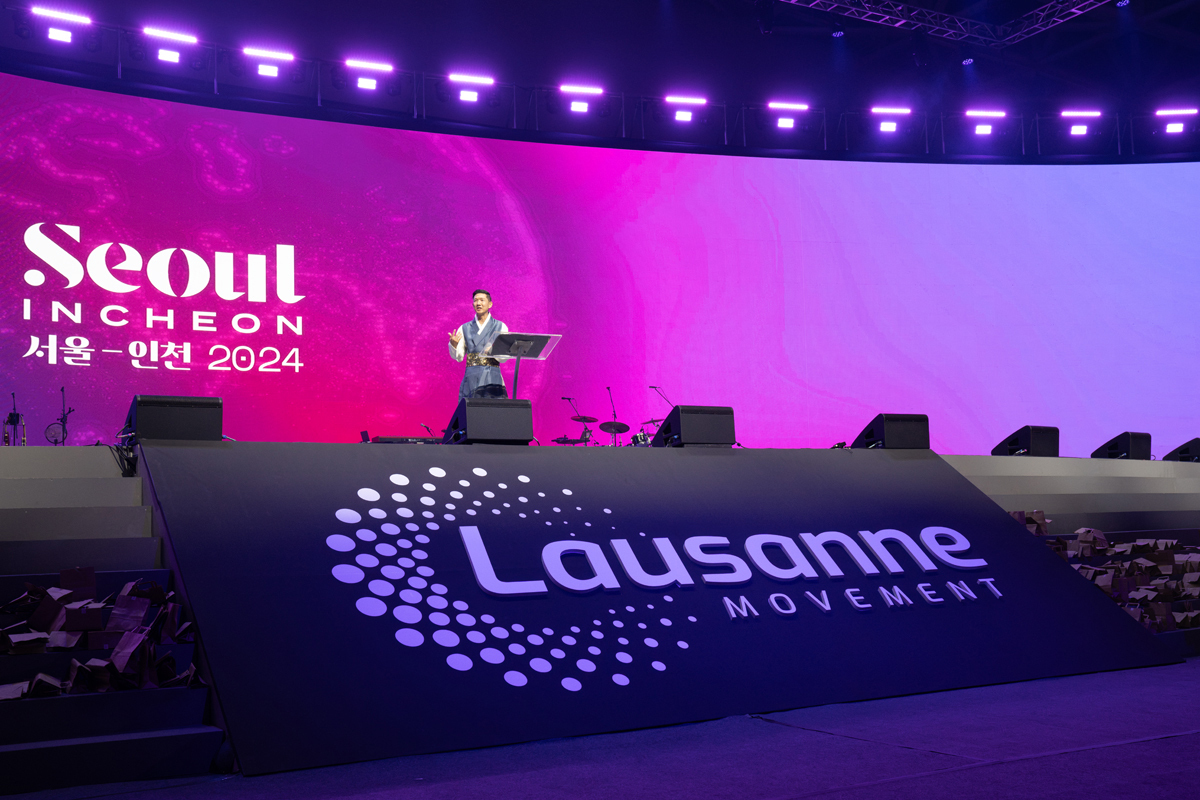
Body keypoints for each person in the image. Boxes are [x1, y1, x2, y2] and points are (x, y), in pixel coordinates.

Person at [448, 290, 510, 400]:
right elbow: (459, 357)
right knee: (471, 409)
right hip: (471, 377)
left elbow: (504, 358)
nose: (478, 303)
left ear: (490, 304)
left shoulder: (501, 326)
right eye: (476, 300)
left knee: (494, 408)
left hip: (493, 376)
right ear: (472, 304)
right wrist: (454, 345)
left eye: (482, 300)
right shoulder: (464, 328)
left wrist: (494, 350)